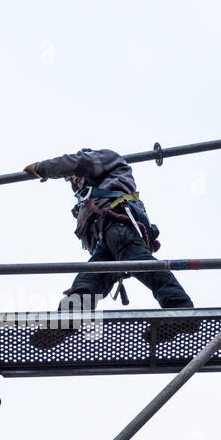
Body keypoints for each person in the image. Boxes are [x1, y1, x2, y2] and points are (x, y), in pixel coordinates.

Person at [22, 148, 196, 350]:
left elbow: (77, 162)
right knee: (87, 282)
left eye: (75, 179)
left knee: (143, 265)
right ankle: (68, 319)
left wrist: (43, 169)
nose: (75, 182)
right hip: (105, 241)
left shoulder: (105, 160)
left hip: (118, 226)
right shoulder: (88, 197)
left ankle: (179, 310)